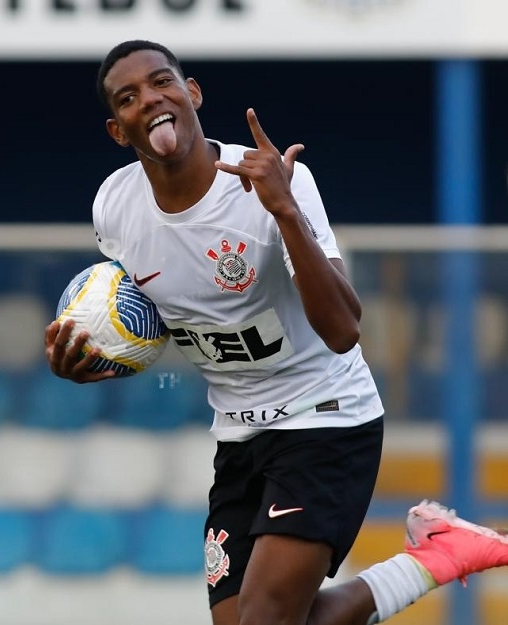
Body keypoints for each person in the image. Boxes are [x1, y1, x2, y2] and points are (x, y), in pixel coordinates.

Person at [44, 40, 508, 625]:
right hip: (238, 436)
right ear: (118, 130)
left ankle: (442, 556)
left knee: (265, 619)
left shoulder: (278, 180)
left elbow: (344, 330)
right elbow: (149, 318)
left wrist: (284, 210)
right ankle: (442, 556)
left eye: (163, 82)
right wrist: (92, 358)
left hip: (327, 417)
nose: (151, 100)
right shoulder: (113, 206)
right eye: (130, 97)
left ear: (192, 93)